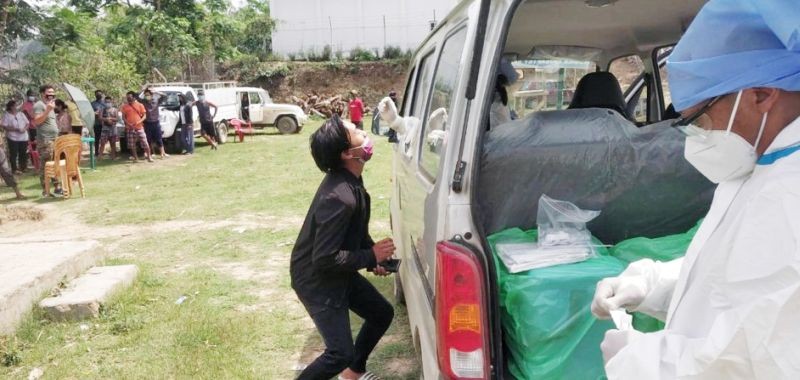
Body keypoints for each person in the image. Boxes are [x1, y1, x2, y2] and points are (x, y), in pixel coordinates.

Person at [591, 1, 800, 378]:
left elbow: (767, 358)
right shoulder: (758, 162)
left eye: (700, 119)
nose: (697, 137)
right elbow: (732, 282)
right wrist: (652, 285)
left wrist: (640, 361)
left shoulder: (791, 193)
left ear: (762, 94)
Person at [291, 115, 395, 380]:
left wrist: (374, 259)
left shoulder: (351, 182)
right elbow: (324, 258)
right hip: (317, 280)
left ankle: (353, 373)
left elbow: (353, 233)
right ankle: (348, 367)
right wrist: (370, 255)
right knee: (339, 353)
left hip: (336, 271)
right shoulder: (338, 197)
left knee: (381, 313)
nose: (364, 132)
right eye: (356, 131)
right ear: (348, 153)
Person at [32, 84, 62, 196]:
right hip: (45, 140)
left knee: (54, 163)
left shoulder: (50, 105)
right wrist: (47, 110)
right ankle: (45, 190)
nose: (51, 94)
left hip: (55, 139)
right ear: (42, 94)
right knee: (46, 165)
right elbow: (37, 121)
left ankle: (57, 187)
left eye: (53, 93)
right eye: (49, 92)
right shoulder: (39, 105)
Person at [120, 91, 153, 162]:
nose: (128, 98)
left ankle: (149, 157)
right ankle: (136, 158)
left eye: (130, 97)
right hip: (129, 128)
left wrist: (139, 122)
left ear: (134, 97)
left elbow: (144, 116)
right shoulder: (124, 106)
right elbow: (123, 117)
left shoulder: (140, 105)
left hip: (139, 127)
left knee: (145, 142)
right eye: (127, 97)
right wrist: (128, 123)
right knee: (132, 144)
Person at [2, 100, 30, 174]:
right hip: (13, 138)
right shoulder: (6, 115)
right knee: (13, 153)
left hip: (23, 137)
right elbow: (5, 126)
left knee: (23, 152)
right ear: (11, 107)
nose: (16, 107)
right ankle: (14, 169)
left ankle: (23, 167)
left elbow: (27, 123)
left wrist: (24, 129)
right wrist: (15, 129)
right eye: (15, 105)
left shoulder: (21, 114)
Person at [142, 88, 168, 159]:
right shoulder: (143, 102)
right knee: (148, 139)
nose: (147, 96)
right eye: (145, 95)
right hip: (147, 123)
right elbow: (137, 97)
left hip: (156, 123)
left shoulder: (156, 101)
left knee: (159, 139)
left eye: (148, 95)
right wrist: (143, 90)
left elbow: (165, 96)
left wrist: (157, 92)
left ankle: (162, 153)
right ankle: (149, 154)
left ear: (151, 95)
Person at [91, 89, 105, 153]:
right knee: (97, 138)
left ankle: (102, 151)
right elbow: (90, 112)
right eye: (97, 94)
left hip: (105, 123)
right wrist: (94, 113)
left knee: (105, 138)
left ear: (102, 94)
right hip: (97, 123)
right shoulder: (92, 103)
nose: (98, 95)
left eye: (100, 94)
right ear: (95, 95)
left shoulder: (105, 103)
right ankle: (96, 151)